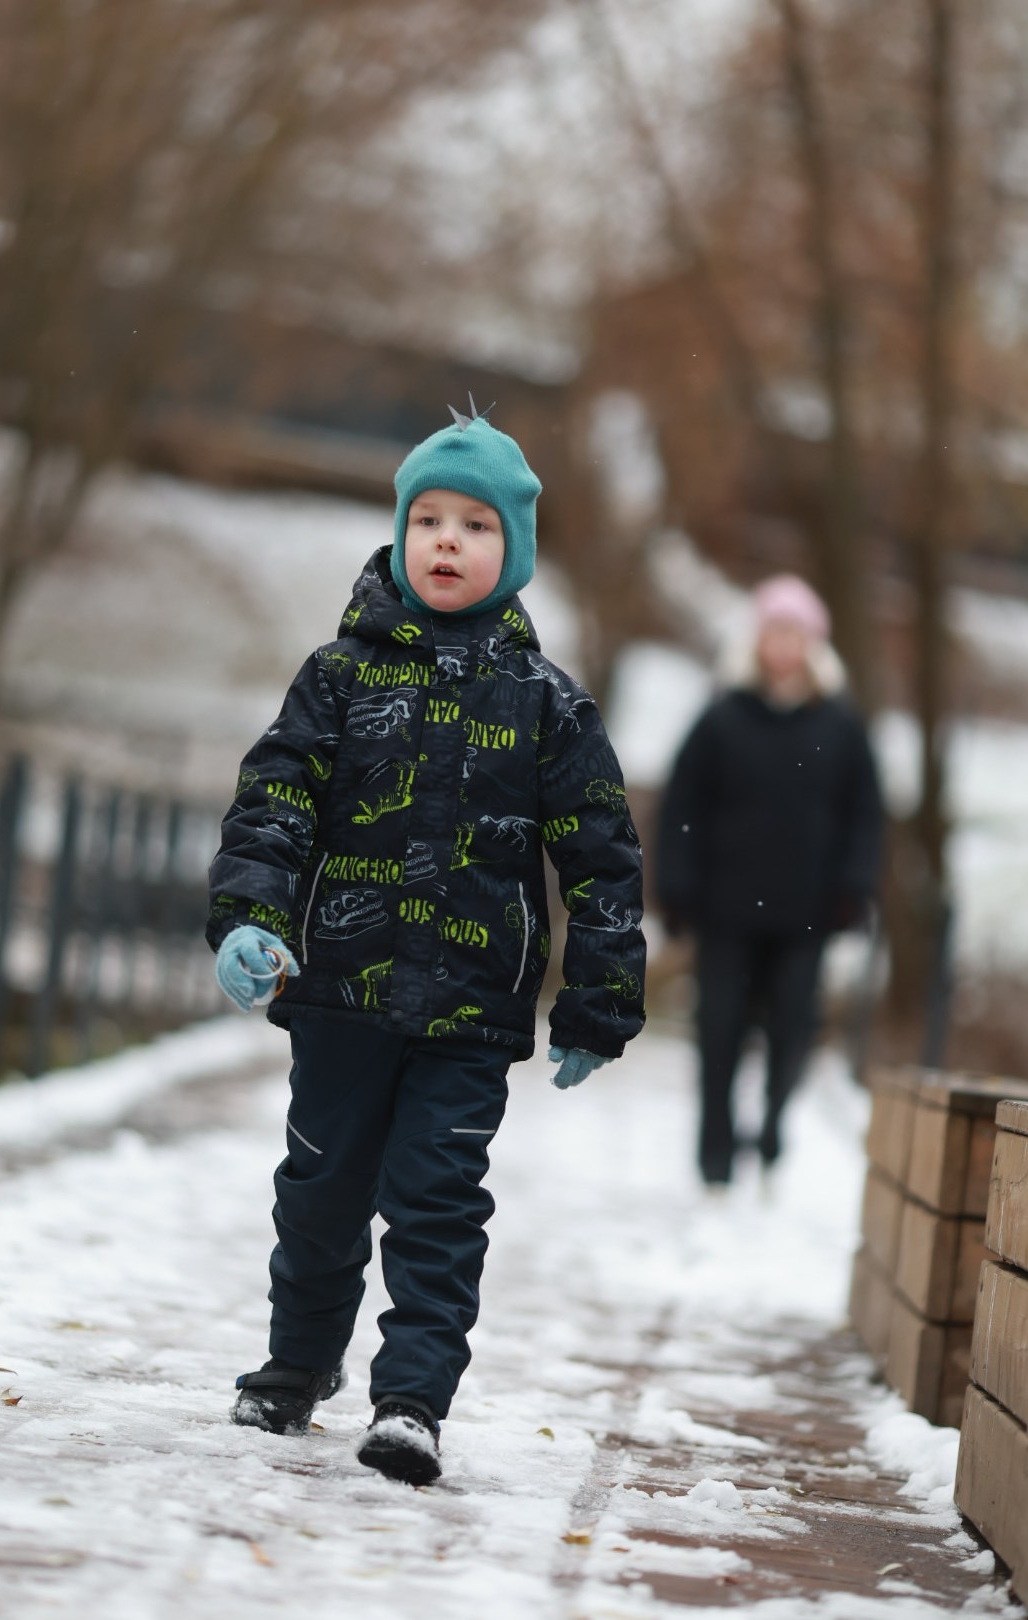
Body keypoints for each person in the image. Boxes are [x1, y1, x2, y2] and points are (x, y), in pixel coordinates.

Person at [206, 401, 645, 1485]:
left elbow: (602, 860)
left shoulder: (548, 707)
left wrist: (597, 1001)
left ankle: (411, 1401)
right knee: (319, 1191)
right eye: (430, 520)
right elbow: (274, 804)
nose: (449, 541)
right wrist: (252, 918)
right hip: (340, 994)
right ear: (402, 535)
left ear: (515, 553)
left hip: (469, 1011)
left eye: (477, 526)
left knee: (437, 1204)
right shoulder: (337, 677)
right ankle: (297, 1365)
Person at [655, 574, 883, 1191]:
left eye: (795, 633)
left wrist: (855, 887)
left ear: (814, 645)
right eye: (774, 631)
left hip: (806, 915)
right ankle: (715, 1156)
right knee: (719, 1034)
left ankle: (774, 1128)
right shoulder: (720, 719)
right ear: (756, 639)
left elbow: (865, 815)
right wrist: (675, 887)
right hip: (724, 911)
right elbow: (681, 808)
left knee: (792, 1034)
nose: (783, 644)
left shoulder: (841, 728)